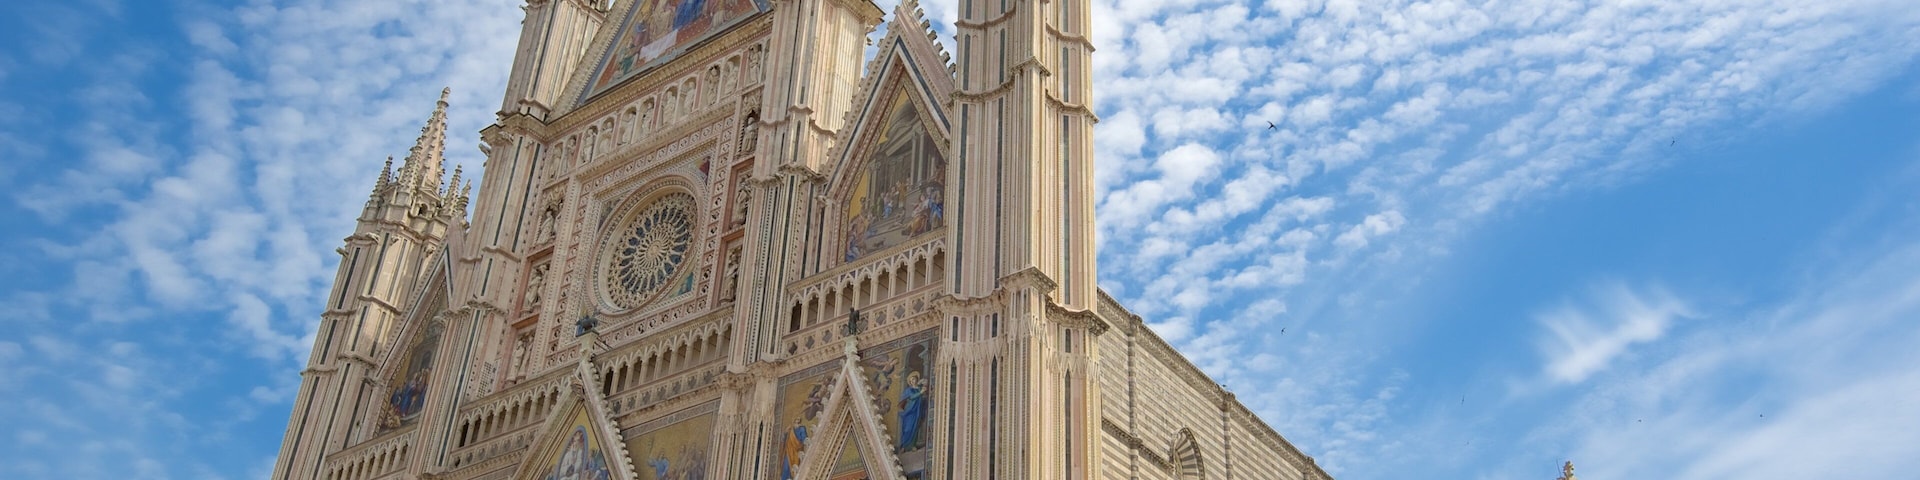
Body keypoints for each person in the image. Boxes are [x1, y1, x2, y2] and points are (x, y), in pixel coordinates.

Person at [895, 371, 927, 452]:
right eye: (911, 380)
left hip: (917, 410)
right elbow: (911, 397)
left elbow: (923, 396)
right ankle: (904, 446)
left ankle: (913, 445)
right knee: (907, 429)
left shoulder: (919, 388)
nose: (913, 381)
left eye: (914, 379)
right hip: (909, 411)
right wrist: (920, 393)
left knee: (915, 427)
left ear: (916, 379)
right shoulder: (908, 390)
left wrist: (923, 391)